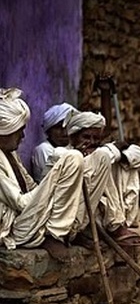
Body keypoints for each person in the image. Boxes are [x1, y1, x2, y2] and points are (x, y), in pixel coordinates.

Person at [0, 88, 85, 258]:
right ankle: (55, 234)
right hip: (17, 229)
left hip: (28, 217)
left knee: (82, 160)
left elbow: (31, 186)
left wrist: (55, 183)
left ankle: (67, 230)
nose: (23, 136)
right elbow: (22, 203)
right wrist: (54, 181)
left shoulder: (11, 154)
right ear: (4, 132)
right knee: (72, 157)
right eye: (19, 131)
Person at [46, 110, 140, 246]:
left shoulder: (102, 151)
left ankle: (117, 224)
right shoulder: (62, 154)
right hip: (73, 214)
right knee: (101, 164)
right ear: (73, 138)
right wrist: (107, 153)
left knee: (126, 165)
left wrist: (119, 155)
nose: (91, 142)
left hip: (99, 212)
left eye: (96, 139)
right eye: (86, 137)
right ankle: (114, 227)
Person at [31, 102, 77, 182]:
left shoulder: (70, 146)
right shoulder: (43, 149)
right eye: (58, 127)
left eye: (67, 127)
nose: (65, 133)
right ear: (49, 130)